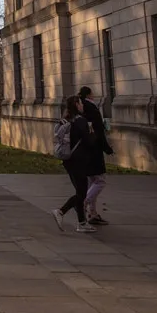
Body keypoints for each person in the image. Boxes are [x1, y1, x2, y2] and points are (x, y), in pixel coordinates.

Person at [52, 95, 97, 233]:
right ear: (77, 105)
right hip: (78, 160)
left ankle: (81, 223)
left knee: (80, 191)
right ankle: (60, 211)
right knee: (81, 193)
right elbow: (89, 141)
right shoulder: (81, 121)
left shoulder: (67, 120)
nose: (82, 105)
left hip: (68, 160)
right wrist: (93, 134)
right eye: (81, 103)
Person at [78, 86, 114, 226]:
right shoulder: (91, 108)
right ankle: (83, 203)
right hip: (93, 149)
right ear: (89, 94)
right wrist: (107, 148)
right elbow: (99, 130)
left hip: (84, 149)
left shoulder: (81, 108)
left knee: (91, 181)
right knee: (99, 180)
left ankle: (92, 213)